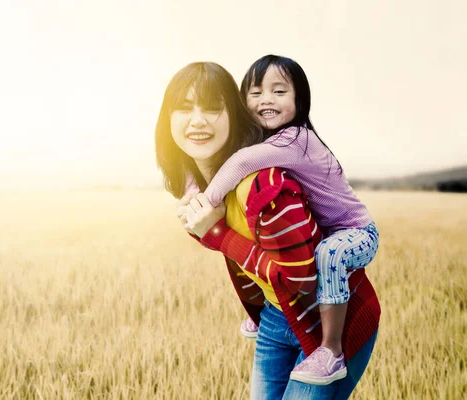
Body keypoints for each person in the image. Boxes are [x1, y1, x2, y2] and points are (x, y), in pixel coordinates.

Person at [156, 61, 380, 399]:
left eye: (214, 107)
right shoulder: (204, 180)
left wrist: (216, 231)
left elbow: (299, 280)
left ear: (234, 112)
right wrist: (196, 201)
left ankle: (331, 352)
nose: (198, 119)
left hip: (328, 319)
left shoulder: (266, 183)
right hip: (277, 317)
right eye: (184, 108)